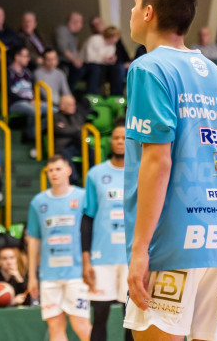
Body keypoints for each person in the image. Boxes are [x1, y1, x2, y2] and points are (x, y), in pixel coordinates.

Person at [123, 0, 217, 340]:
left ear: (148, 13)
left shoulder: (148, 67)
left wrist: (140, 249)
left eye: (135, 3)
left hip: (175, 236)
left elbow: (158, 161)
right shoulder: (216, 74)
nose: (131, 11)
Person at [27, 155, 90, 340]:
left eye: (58, 169)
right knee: (55, 326)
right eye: (51, 170)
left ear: (68, 171)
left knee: (80, 324)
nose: (54, 173)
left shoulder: (82, 197)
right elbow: (33, 239)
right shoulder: (38, 202)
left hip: (77, 274)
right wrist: (32, 276)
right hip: (49, 275)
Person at [82, 121, 130, 341]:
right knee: (100, 316)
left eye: (124, 138)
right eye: (116, 137)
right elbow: (87, 218)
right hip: (102, 257)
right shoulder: (96, 174)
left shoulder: (140, 172)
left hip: (131, 257)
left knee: (131, 319)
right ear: (111, 141)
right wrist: (86, 260)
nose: (120, 141)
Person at [50, 94, 90, 181]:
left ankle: (93, 175)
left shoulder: (77, 116)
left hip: (77, 144)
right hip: (63, 147)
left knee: (91, 150)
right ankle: (73, 179)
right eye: (70, 104)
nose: (73, 107)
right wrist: (76, 131)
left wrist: (72, 131)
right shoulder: (55, 117)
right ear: (62, 106)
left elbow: (85, 131)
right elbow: (60, 130)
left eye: (74, 104)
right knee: (65, 153)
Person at [81, 26, 124, 96]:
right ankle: (93, 95)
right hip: (87, 64)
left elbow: (108, 60)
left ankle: (116, 96)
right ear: (111, 36)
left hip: (103, 65)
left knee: (117, 68)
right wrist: (104, 59)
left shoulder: (112, 46)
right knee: (96, 69)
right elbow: (89, 58)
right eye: (116, 37)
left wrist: (111, 60)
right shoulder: (94, 39)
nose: (117, 39)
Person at [54, 12, 85, 84]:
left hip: (68, 61)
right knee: (79, 70)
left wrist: (79, 60)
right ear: (74, 22)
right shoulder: (62, 30)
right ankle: (67, 90)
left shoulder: (74, 36)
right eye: (81, 22)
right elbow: (63, 49)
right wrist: (75, 60)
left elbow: (74, 52)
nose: (81, 25)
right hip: (60, 60)